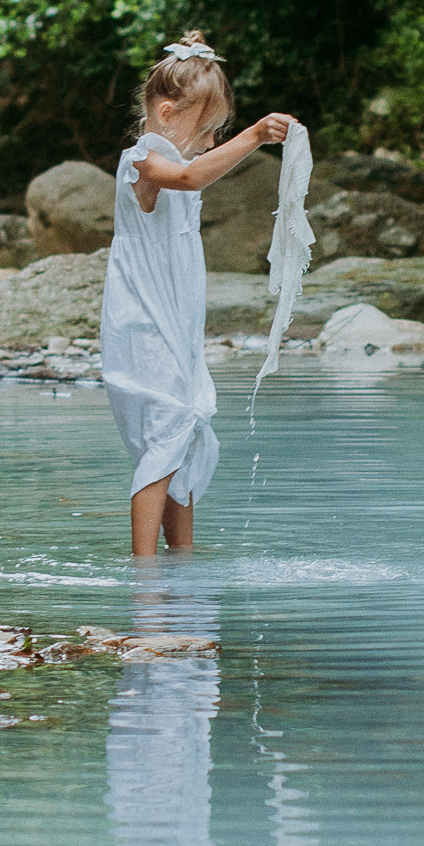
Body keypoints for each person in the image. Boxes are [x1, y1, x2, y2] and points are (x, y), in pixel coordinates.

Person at [100, 32, 291, 555]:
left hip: (176, 320)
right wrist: (253, 136)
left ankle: (182, 559)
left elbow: (192, 174)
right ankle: (145, 574)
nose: (209, 142)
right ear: (166, 113)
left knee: (183, 431)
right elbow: (188, 177)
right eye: (206, 129)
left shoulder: (172, 158)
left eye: (216, 132)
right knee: (166, 431)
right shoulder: (143, 160)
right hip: (143, 321)